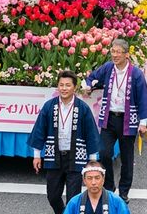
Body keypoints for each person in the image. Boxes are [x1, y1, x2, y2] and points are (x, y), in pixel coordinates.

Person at [84, 39, 147, 204]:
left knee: (127, 157)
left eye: (118, 52)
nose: (114, 55)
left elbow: (144, 98)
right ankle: (109, 188)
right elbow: (92, 77)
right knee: (104, 153)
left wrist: (143, 123)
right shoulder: (108, 68)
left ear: (126, 54)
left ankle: (124, 191)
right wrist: (88, 85)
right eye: (112, 51)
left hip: (127, 119)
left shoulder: (136, 74)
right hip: (109, 118)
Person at [28, 70, 100, 214]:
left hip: (75, 158)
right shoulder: (49, 106)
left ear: (74, 87)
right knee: (53, 196)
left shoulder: (82, 108)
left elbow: (91, 134)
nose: (64, 88)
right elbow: (39, 130)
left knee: (73, 198)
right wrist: (37, 155)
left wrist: (92, 161)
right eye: (61, 85)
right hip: (54, 156)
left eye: (68, 85)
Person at [63, 161, 129, 214]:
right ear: (84, 180)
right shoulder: (74, 202)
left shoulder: (117, 201)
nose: (93, 182)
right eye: (89, 178)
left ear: (103, 179)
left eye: (97, 178)